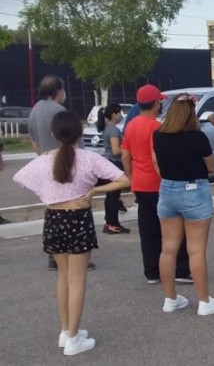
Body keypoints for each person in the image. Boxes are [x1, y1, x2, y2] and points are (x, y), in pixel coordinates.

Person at [14, 111, 130, 355]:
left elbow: (20, 178)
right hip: (78, 219)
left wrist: (49, 195)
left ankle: (66, 330)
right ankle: (74, 339)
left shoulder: (44, 160)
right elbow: (123, 180)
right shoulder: (89, 158)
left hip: (53, 219)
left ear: (53, 134)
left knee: (63, 278)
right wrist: (93, 192)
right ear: (79, 133)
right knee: (77, 279)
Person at [152, 93, 214, 316]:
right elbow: (212, 166)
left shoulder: (159, 135)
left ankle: (170, 298)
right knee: (196, 251)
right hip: (194, 190)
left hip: (167, 190)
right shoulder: (197, 137)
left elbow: (157, 161)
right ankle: (204, 301)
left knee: (168, 248)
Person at [122, 84, 192, 284]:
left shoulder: (132, 125)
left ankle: (152, 271)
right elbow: (156, 157)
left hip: (140, 184)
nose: (161, 104)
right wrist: (167, 177)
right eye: (160, 101)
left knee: (148, 229)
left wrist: (131, 178)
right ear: (155, 103)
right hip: (158, 183)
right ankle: (180, 269)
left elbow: (126, 156)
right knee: (175, 226)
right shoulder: (156, 127)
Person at [28, 75, 96, 271]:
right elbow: (75, 141)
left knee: (53, 208)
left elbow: (34, 142)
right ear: (58, 91)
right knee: (73, 208)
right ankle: (75, 253)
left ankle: (54, 254)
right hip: (65, 162)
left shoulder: (34, 111)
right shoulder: (59, 111)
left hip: (46, 162)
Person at [97, 103, 130, 234]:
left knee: (110, 196)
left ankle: (109, 223)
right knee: (114, 197)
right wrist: (128, 150)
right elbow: (116, 150)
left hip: (107, 162)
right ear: (113, 115)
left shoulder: (106, 128)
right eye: (119, 113)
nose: (121, 116)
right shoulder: (114, 130)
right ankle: (113, 223)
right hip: (114, 163)